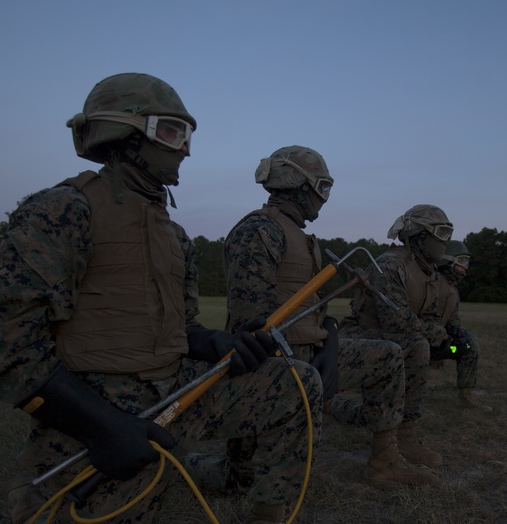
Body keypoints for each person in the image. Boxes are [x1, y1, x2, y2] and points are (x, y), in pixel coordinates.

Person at [0, 73, 341, 524]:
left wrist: (217, 344)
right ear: (125, 134)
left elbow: (180, 329)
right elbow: (1, 350)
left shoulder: (174, 233)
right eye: (172, 132)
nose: (185, 151)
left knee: (294, 385)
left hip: (172, 390)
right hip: (102, 403)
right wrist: (103, 428)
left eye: (189, 136)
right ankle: (42, 487)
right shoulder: (62, 210)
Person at [187, 146, 438, 490]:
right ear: (299, 186)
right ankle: (197, 467)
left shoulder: (300, 236)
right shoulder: (260, 230)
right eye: (322, 188)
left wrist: (329, 341)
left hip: (308, 350)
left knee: (388, 357)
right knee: (241, 479)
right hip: (272, 362)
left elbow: (312, 308)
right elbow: (252, 325)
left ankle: (385, 460)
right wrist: (304, 360)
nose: (324, 200)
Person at [338, 204, 457, 467]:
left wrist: (444, 336)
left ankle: (394, 426)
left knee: (423, 343)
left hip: (387, 335)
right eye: (441, 232)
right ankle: (403, 435)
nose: (446, 241)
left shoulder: (429, 273)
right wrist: (435, 334)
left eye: (449, 232)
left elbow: (426, 318)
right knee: (416, 346)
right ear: (420, 236)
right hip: (358, 334)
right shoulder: (391, 265)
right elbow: (397, 321)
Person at [428, 240, 492, 411]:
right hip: (419, 344)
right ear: (447, 260)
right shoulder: (429, 283)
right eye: (462, 261)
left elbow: (453, 319)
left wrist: (456, 332)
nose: (466, 267)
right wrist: (441, 333)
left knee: (468, 344)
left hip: (439, 343)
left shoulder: (452, 289)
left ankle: (467, 396)